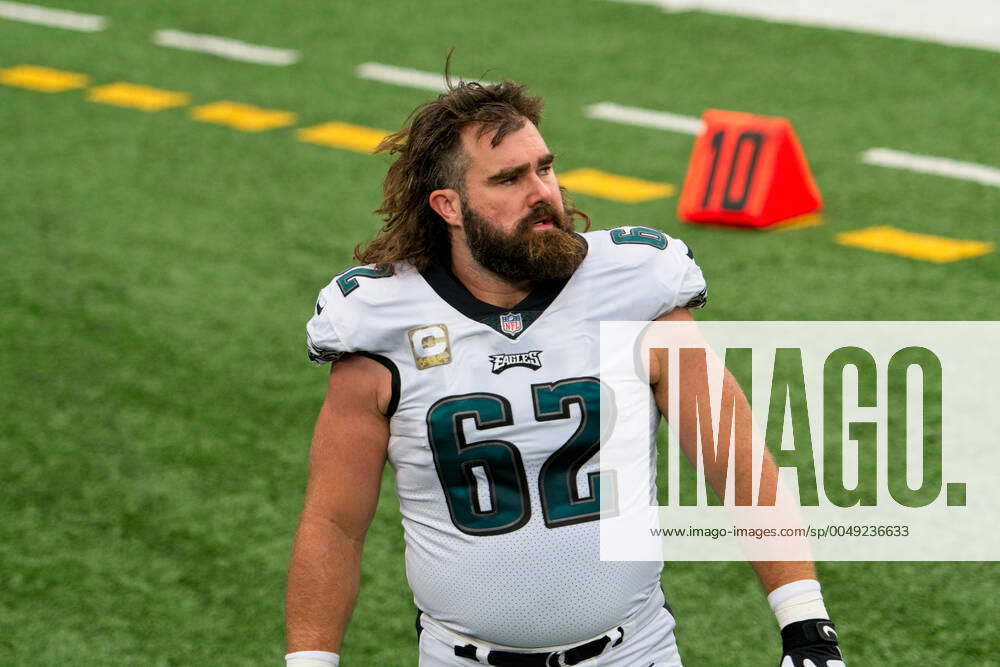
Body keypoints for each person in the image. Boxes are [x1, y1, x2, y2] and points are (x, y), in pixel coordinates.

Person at [285, 77, 845, 666]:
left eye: (544, 168)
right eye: (508, 178)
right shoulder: (380, 321)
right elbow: (334, 525)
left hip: (633, 653)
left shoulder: (633, 285)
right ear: (448, 206)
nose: (542, 192)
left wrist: (806, 624)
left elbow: (733, 457)